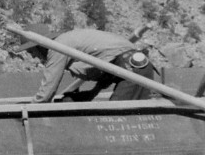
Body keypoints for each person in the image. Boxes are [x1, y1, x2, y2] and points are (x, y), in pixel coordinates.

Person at [18, 24, 157, 102]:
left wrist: (32, 106)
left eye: (31, 51)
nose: (33, 56)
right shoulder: (70, 40)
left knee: (117, 116)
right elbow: (108, 67)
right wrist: (92, 93)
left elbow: (48, 87)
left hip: (131, 69)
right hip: (139, 67)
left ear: (38, 45)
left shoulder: (57, 46)